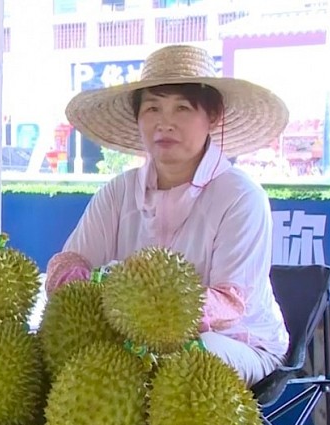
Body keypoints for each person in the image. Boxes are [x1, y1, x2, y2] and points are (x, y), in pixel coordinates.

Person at [46, 44, 290, 387]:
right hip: (133, 338)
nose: (165, 123)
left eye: (182, 108)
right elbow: (65, 264)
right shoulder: (119, 192)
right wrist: (85, 290)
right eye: (153, 108)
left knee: (177, 361)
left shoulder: (240, 197)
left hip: (237, 342)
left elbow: (230, 304)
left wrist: (143, 311)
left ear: (213, 116)